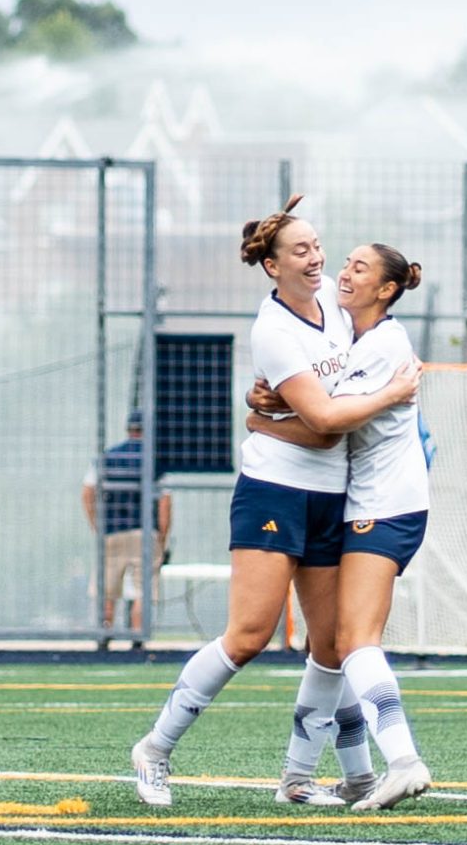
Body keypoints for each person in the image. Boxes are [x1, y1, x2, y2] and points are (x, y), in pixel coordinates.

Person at [129, 196, 419, 807]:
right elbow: (323, 423)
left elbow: (328, 419)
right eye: (301, 251)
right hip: (275, 493)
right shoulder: (274, 329)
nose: (318, 261)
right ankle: (154, 748)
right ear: (273, 266)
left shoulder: (341, 315)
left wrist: (264, 414)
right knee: (248, 636)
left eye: (318, 247)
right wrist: (387, 395)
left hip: (333, 496)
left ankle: (301, 777)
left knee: (332, 644)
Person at [248, 242, 432, 810]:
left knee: (353, 641)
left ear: (386, 290)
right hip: (368, 504)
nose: (343, 274)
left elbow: (326, 424)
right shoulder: (356, 338)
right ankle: (308, 776)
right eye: (344, 263)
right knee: (330, 645)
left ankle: (402, 761)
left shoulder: (382, 345)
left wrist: (261, 415)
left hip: (386, 505)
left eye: (359, 269)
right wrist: (276, 393)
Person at [81, 408, 172, 637]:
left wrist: (98, 526)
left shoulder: (106, 458)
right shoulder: (155, 461)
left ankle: (105, 634)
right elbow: (164, 504)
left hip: (112, 531)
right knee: (143, 589)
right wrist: (161, 537)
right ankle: (138, 637)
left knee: (108, 588)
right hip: (145, 532)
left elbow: (87, 493)